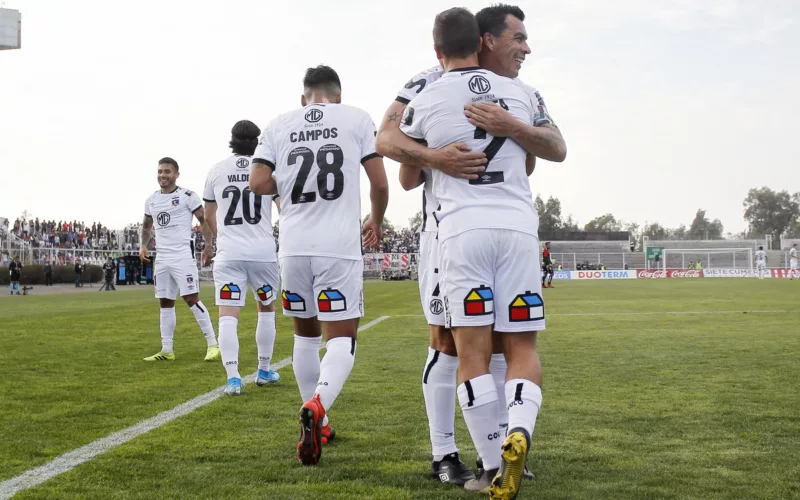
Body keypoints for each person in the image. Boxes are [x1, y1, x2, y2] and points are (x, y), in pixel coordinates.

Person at [376, 3, 563, 486]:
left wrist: (511, 130)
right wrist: (437, 154)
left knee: (489, 347)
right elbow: (390, 143)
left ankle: (497, 455)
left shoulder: (516, 94)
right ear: (484, 40)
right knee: (448, 343)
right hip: (447, 233)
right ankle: (447, 452)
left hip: (469, 229)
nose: (525, 48)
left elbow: (539, 156)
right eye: (518, 38)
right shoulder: (423, 82)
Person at [249, 65, 389, 466]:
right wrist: (375, 220)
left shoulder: (278, 124)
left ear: (303, 97)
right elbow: (379, 183)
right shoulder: (356, 117)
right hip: (338, 245)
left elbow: (258, 183)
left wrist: (290, 180)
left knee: (305, 337)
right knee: (342, 338)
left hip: (292, 246)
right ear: (338, 95)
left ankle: (317, 421)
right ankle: (318, 406)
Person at [202, 120, 283, 396]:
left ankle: (233, 378)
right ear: (257, 142)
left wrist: (222, 237)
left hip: (229, 254)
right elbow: (284, 209)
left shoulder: (216, 170)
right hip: (262, 253)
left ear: (232, 140)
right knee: (266, 308)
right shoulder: (265, 170)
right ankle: (263, 369)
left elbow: (209, 215)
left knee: (228, 315)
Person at [139, 157, 219, 362]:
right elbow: (147, 227)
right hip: (162, 257)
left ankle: (213, 344)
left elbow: (203, 220)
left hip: (182, 255)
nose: (162, 175)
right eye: (160, 171)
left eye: (167, 171)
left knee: (191, 298)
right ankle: (167, 349)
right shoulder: (152, 200)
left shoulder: (187, 196)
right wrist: (143, 245)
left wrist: (209, 246)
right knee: (165, 301)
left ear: (176, 174)